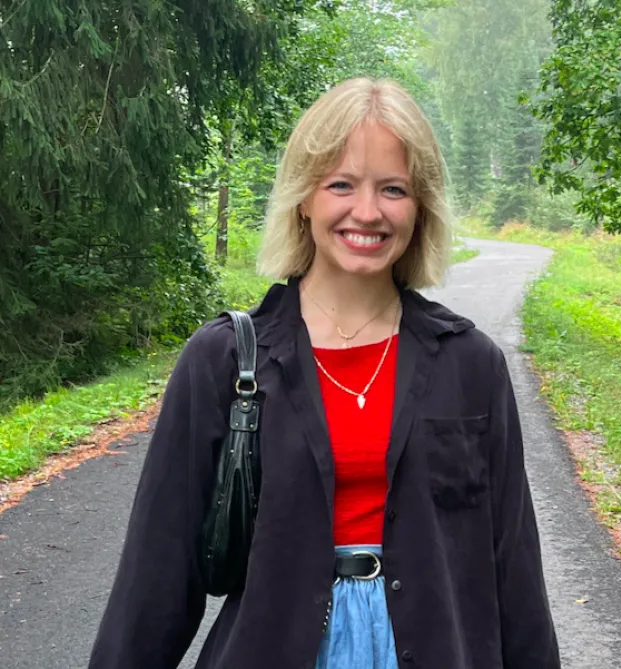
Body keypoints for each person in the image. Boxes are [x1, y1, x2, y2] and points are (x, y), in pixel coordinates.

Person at [88, 77, 561, 669]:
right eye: (342, 184)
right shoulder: (226, 361)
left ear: (421, 207)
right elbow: (157, 570)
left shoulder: (472, 364)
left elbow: (513, 565)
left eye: (394, 189)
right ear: (304, 197)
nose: (368, 212)